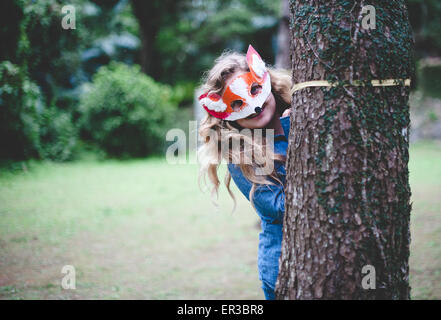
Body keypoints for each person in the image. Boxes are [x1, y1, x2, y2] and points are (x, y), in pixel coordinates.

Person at [197, 45, 292, 300]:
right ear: (225, 113)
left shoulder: (302, 113)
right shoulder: (239, 158)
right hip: (283, 269)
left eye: (254, 90)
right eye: (237, 103)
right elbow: (280, 208)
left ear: (265, 79)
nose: (254, 107)